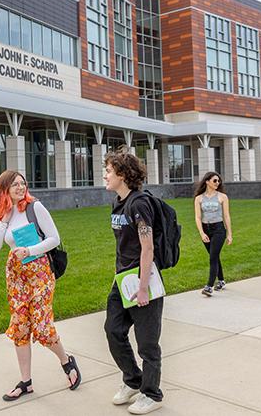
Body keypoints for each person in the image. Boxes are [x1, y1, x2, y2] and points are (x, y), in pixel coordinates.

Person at [0, 170, 81, 401]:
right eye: (15, 185)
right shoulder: (3, 213)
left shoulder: (34, 207)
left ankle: (66, 361)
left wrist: (30, 250)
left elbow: (54, 239)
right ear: (5, 189)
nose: (20, 187)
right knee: (20, 326)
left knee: (41, 326)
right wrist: (4, 219)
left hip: (39, 271)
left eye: (23, 183)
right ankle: (26, 382)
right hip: (16, 274)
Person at [103, 147, 163, 415]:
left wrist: (142, 288)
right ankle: (133, 380)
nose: (105, 175)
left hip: (142, 279)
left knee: (147, 342)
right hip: (122, 279)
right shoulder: (118, 202)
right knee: (113, 330)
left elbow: (147, 247)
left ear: (123, 174)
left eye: (108, 171)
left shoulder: (139, 203)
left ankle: (152, 394)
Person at [194, 172, 233, 297]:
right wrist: (201, 233)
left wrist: (229, 234)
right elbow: (198, 217)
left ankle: (209, 286)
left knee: (213, 257)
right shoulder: (199, 198)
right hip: (206, 229)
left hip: (219, 229)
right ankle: (221, 281)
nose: (217, 183)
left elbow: (226, 216)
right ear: (207, 181)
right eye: (215, 181)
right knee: (214, 256)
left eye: (219, 181)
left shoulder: (222, 197)